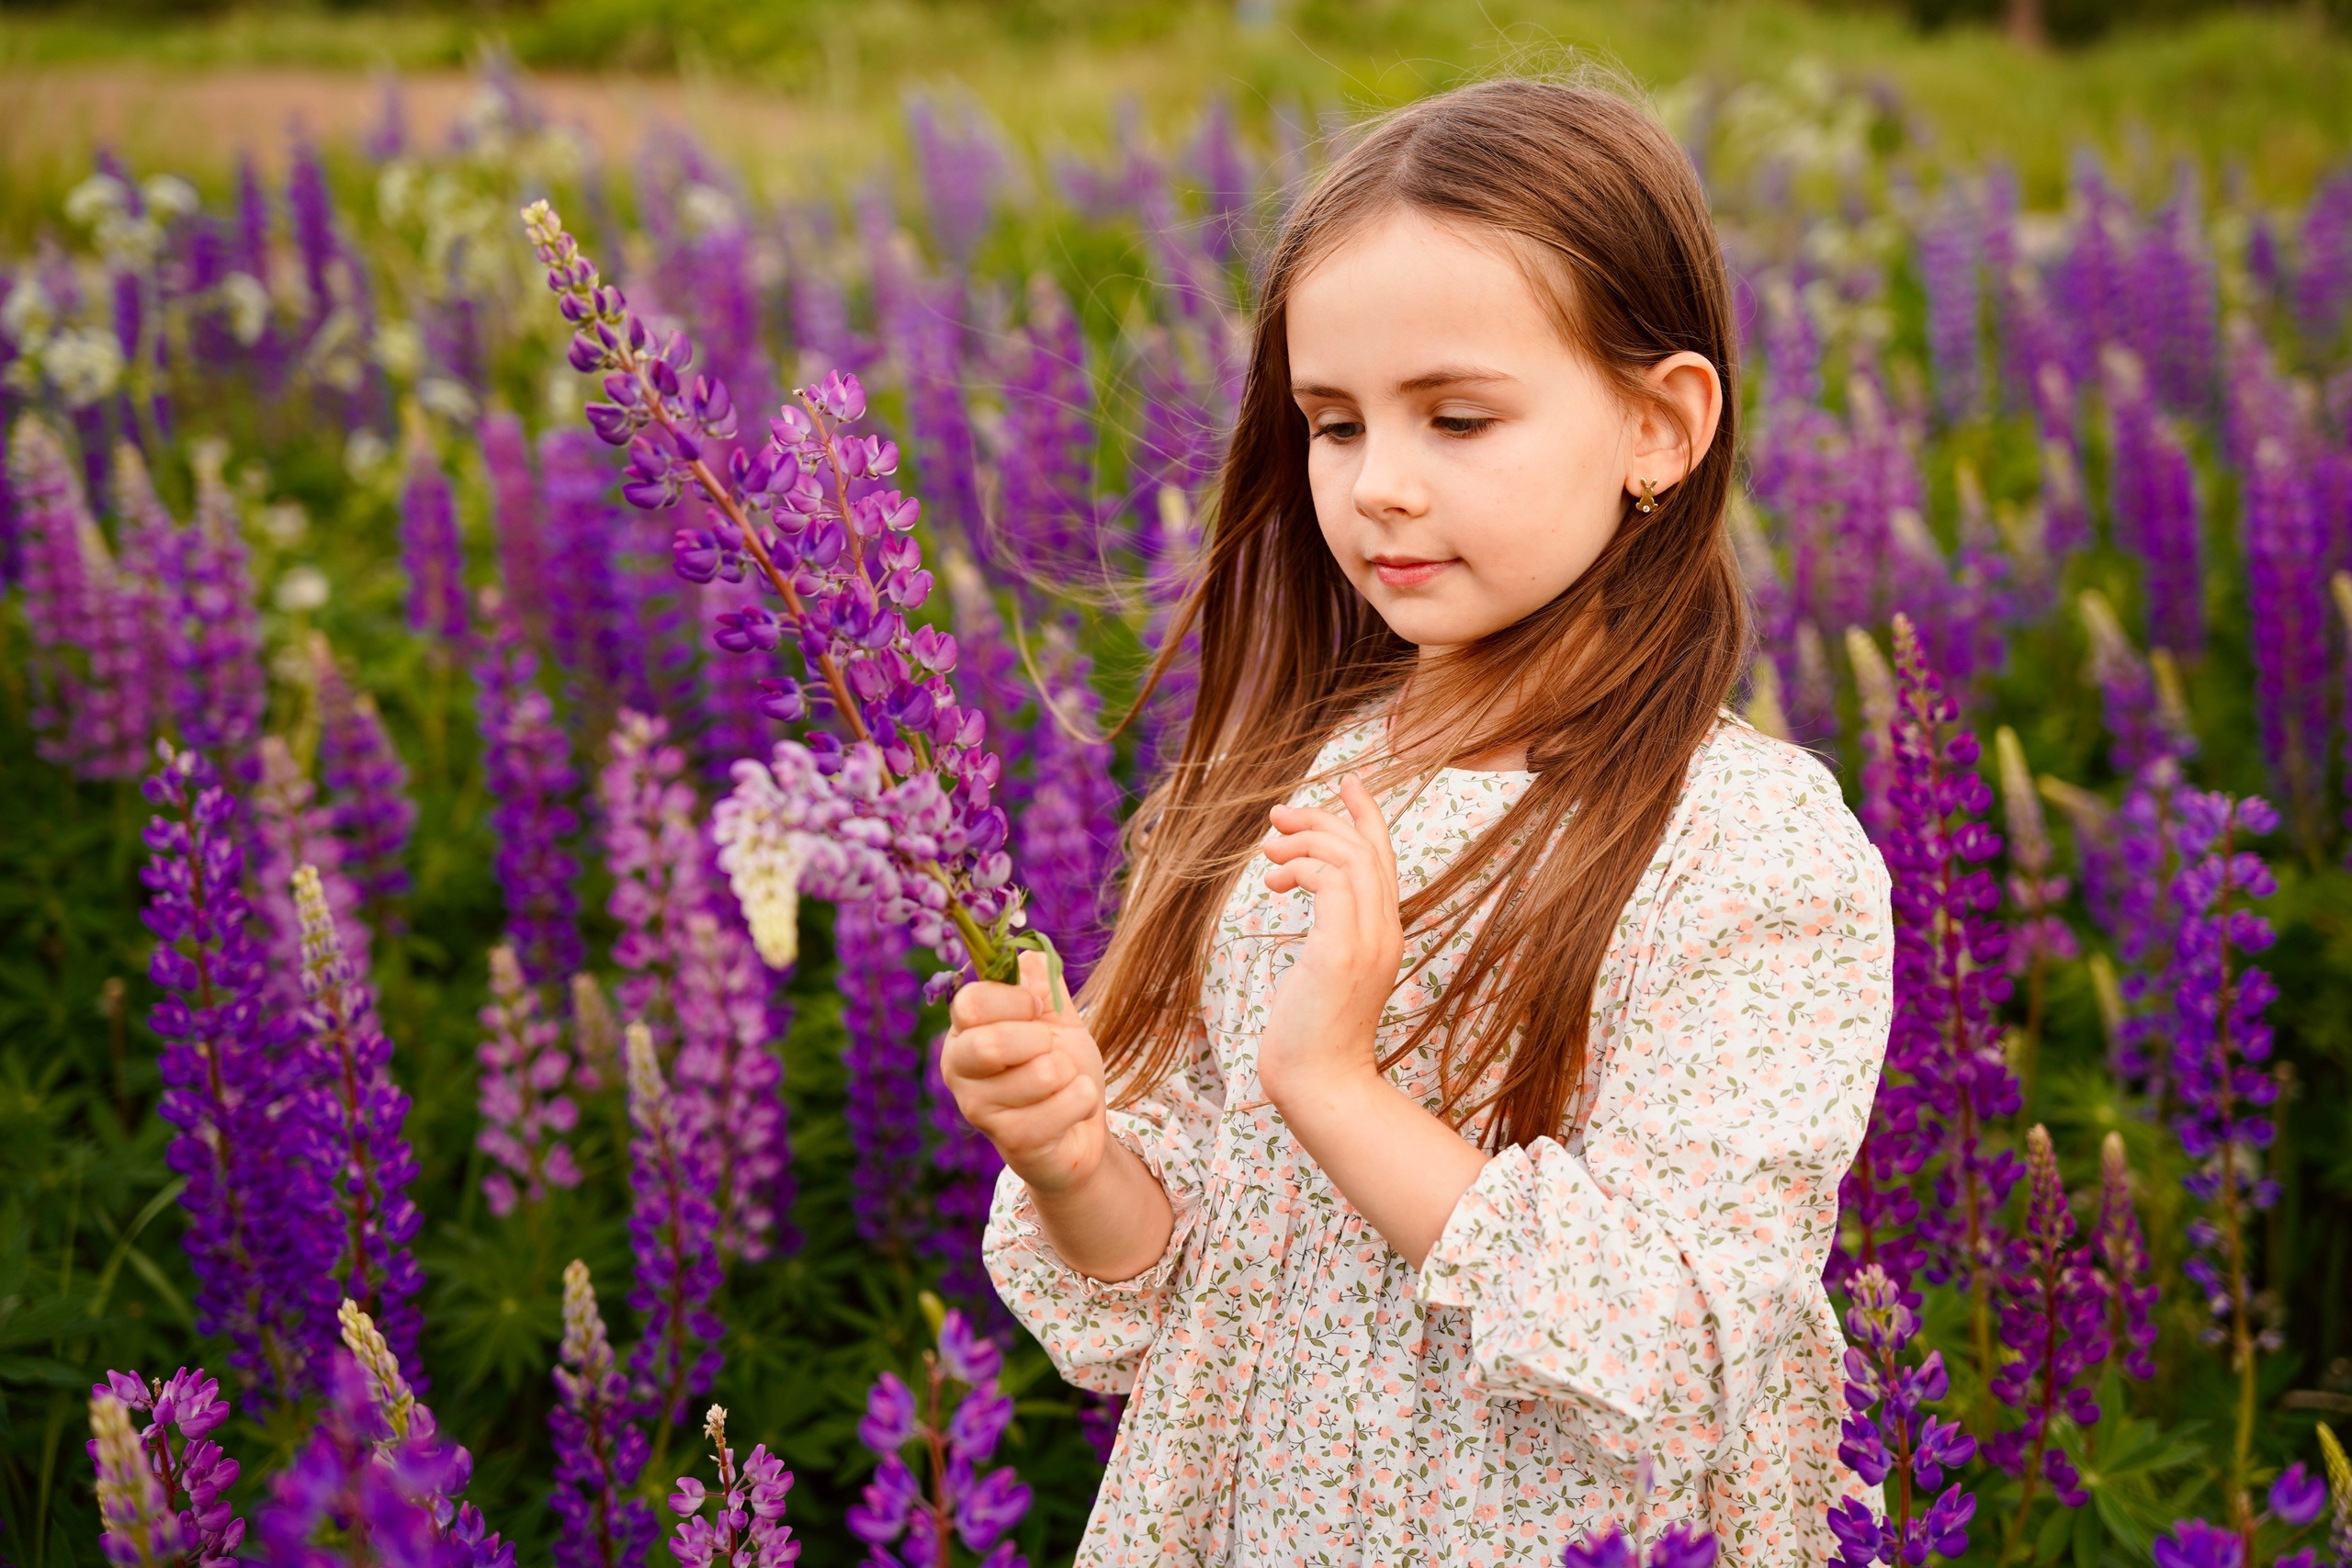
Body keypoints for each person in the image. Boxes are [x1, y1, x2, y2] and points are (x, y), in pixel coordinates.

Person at [941, 75, 1891, 1566]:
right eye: (1332, 425)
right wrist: (1073, 1158)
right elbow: (1165, 1288)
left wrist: (1336, 1078)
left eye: (1456, 417)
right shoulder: (1279, 785)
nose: (1380, 486)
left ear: (1660, 422)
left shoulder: (1748, 850)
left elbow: (1685, 1358)